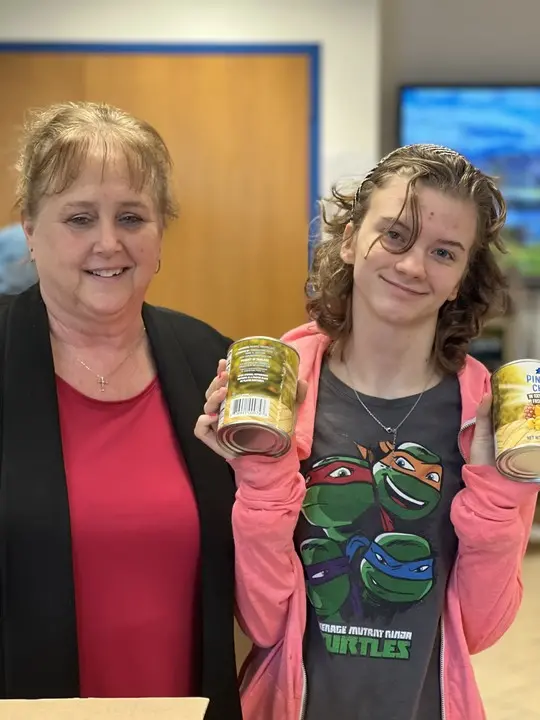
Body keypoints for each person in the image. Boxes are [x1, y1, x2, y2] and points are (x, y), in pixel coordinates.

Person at [195, 144, 540, 720]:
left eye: (444, 252)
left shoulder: (484, 414)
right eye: (396, 235)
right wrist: (260, 473)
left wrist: (502, 493)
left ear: (459, 279)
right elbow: (263, 621)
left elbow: (479, 629)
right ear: (350, 239)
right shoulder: (284, 393)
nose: (412, 265)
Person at [0, 100, 242, 720]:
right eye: (79, 217)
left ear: (160, 234)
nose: (108, 243)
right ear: (29, 231)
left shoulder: (212, 360)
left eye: (131, 217)